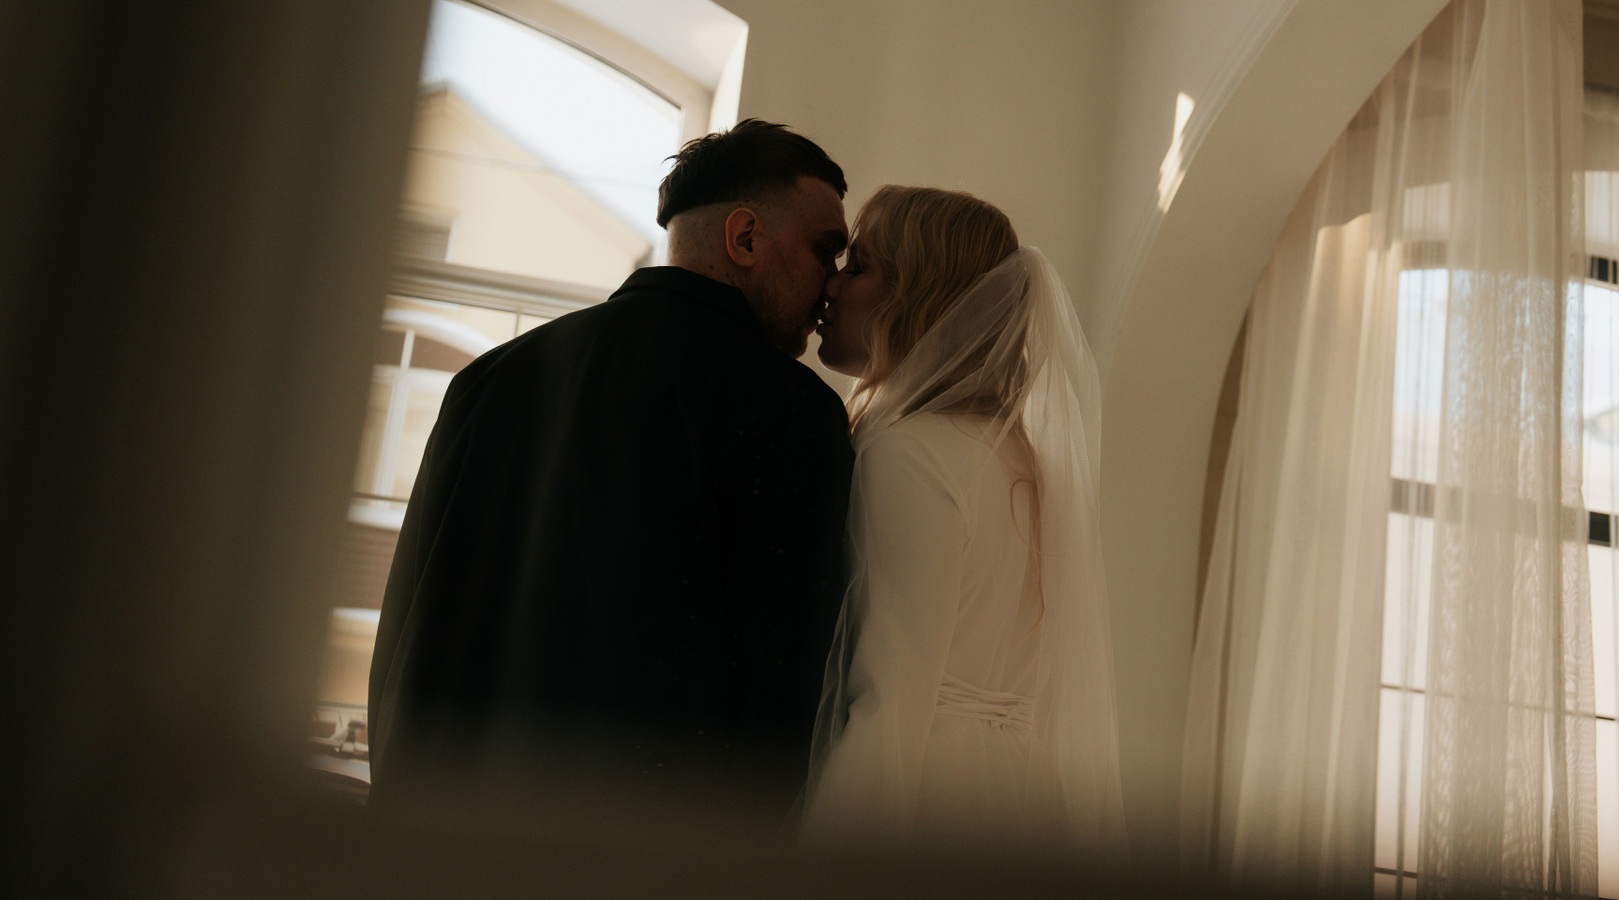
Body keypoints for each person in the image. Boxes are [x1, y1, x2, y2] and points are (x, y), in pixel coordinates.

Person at [369, 120, 854, 812]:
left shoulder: (488, 380)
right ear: (744, 238)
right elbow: (783, 679)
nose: (831, 286)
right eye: (824, 251)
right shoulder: (788, 408)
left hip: (450, 828)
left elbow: (407, 627)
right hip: (640, 845)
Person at [803, 186, 1126, 855]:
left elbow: (892, 696)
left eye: (858, 268)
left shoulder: (908, 452)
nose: (830, 286)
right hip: (1018, 792)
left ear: (915, 296)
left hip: (924, 792)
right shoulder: (1019, 456)